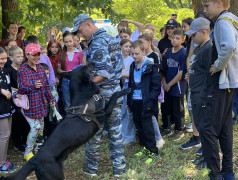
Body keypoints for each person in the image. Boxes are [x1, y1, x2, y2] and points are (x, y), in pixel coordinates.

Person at [71, 13, 126, 177]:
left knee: (94, 131)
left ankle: (92, 168)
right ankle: (119, 168)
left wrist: (86, 87)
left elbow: (103, 72)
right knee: (115, 132)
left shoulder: (98, 42)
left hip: (101, 95)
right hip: (115, 91)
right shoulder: (110, 38)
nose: (80, 34)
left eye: (80, 30)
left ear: (88, 25)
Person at [201, 0, 238, 179]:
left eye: (207, 6)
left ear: (219, 3)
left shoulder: (223, 22)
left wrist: (217, 65)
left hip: (221, 81)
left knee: (206, 128)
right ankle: (228, 172)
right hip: (229, 83)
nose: (204, 9)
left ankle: (215, 175)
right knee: (224, 127)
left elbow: (230, 46)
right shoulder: (232, 20)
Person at [180, 18, 212, 166]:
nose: (191, 38)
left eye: (194, 35)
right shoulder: (199, 47)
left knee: (206, 129)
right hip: (195, 92)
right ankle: (204, 154)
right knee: (199, 124)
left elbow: (210, 75)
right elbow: (197, 68)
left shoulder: (209, 48)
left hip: (203, 95)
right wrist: (190, 74)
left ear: (204, 32)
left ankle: (209, 158)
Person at [18, 43, 55, 161]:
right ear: (27, 55)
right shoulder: (23, 69)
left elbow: (46, 87)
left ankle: (39, 148)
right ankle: (28, 152)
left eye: (38, 54)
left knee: (41, 127)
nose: (36, 57)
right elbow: (22, 88)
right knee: (35, 128)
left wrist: (51, 99)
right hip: (29, 106)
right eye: (34, 55)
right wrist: (33, 86)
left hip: (40, 104)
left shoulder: (40, 68)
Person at [127, 40, 161, 165]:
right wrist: (129, 101)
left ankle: (154, 152)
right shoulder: (132, 65)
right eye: (132, 54)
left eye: (136, 54)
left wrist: (150, 102)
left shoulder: (151, 66)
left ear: (143, 51)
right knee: (139, 126)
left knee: (147, 128)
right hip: (135, 101)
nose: (134, 56)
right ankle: (146, 149)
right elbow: (131, 83)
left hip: (146, 102)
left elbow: (156, 87)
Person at [138, 33, 165, 149]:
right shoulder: (139, 57)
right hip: (142, 91)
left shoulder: (154, 55)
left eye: (142, 42)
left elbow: (157, 71)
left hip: (151, 90)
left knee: (152, 115)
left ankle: (158, 138)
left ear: (149, 42)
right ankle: (149, 138)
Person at [160, 28, 187, 140]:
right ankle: (166, 126)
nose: (174, 40)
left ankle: (179, 129)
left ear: (183, 39)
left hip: (177, 86)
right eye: (173, 38)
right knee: (165, 107)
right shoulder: (168, 52)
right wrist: (164, 83)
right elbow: (163, 69)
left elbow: (181, 72)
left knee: (177, 108)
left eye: (177, 38)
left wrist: (170, 84)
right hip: (166, 85)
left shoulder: (183, 52)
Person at [7, 46, 29, 153]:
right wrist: (17, 90)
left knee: (26, 120)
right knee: (17, 121)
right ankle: (17, 143)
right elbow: (7, 86)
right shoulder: (8, 71)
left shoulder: (24, 68)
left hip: (25, 99)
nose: (21, 58)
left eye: (22, 56)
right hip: (14, 100)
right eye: (18, 56)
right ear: (11, 57)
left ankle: (25, 141)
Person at [0, 47, 17, 173]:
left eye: (5, 58)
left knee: (6, 135)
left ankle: (4, 160)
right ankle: (1, 164)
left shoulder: (5, 70)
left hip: (7, 106)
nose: (4, 61)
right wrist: (1, 91)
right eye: (1, 58)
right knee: (4, 136)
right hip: (0, 108)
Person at [58, 31, 83, 108]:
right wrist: (66, 73)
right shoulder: (61, 54)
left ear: (73, 41)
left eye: (70, 41)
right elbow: (58, 69)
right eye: (66, 42)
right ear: (64, 43)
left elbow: (82, 68)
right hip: (66, 81)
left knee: (77, 103)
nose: (68, 44)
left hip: (77, 80)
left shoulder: (79, 53)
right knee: (67, 103)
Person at [119, 39, 136, 145]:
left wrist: (124, 75)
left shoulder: (131, 60)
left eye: (130, 47)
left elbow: (134, 76)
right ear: (121, 47)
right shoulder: (118, 58)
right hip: (120, 87)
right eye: (126, 46)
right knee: (121, 112)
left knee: (127, 112)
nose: (128, 49)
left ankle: (129, 137)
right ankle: (122, 134)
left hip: (128, 86)